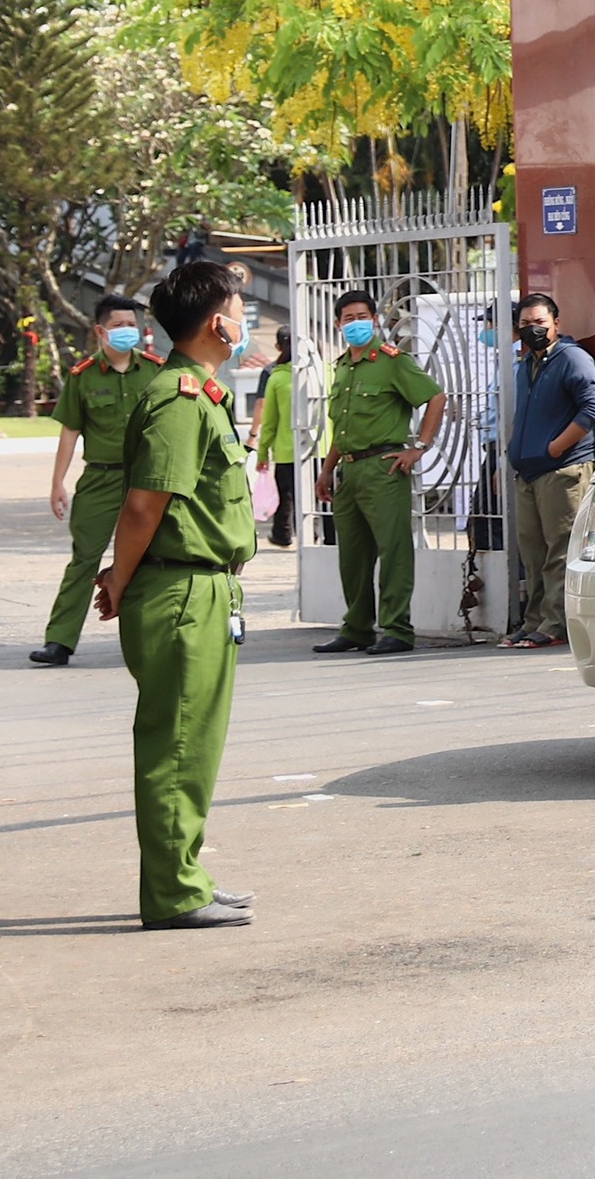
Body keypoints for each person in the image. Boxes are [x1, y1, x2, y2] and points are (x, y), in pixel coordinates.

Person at [95, 260, 257, 929]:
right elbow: (144, 505)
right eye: (240, 311)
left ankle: (185, 874)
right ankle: (173, 893)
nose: (244, 322)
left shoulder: (199, 394)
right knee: (178, 745)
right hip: (181, 590)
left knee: (194, 746)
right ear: (218, 324)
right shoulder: (181, 399)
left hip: (199, 586)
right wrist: (119, 577)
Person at [28, 297, 164, 666]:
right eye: (119, 325)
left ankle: (153, 636)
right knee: (84, 559)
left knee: (154, 557)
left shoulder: (155, 370)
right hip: (100, 480)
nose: (127, 331)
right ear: (101, 331)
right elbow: (70, 432)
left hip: (146, 480)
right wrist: (57, 483)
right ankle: (59, 640)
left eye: (131, 324)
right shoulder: (82, 376)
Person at [309, 292, 446, 656]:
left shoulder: (392, 361)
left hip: (383, 466)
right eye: (348, 318)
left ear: (375, 319)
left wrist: (420, 447)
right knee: (352, 556)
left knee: (393, 550)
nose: (356, 323)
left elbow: (435, 397)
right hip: (348, 469)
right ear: (338, 324)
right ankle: (356, 628)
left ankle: (397, 629)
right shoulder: (342, 367)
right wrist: (326, 470)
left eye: (362, 316)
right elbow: (342, 427)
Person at [505, 293, 595, 650]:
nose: (532, 330)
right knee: (533, 556)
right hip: (529, 473)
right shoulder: (526, 365)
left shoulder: (572, 358)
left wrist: (556, 447)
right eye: (525, 324)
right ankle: (533, 621)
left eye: (539, 323)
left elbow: (592, 409)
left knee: (560, 551)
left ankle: (555, 623)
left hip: (562, 471)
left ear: (556, 324)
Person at [247, 328, 297, 549]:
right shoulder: (322, 371)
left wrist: (259, 445)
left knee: (286, 493)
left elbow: (264, 410)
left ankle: (283, 534)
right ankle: (325, 537)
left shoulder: (274, 374)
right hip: (320, 447)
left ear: (278, 347)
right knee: (321, 494)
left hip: (287, 448)